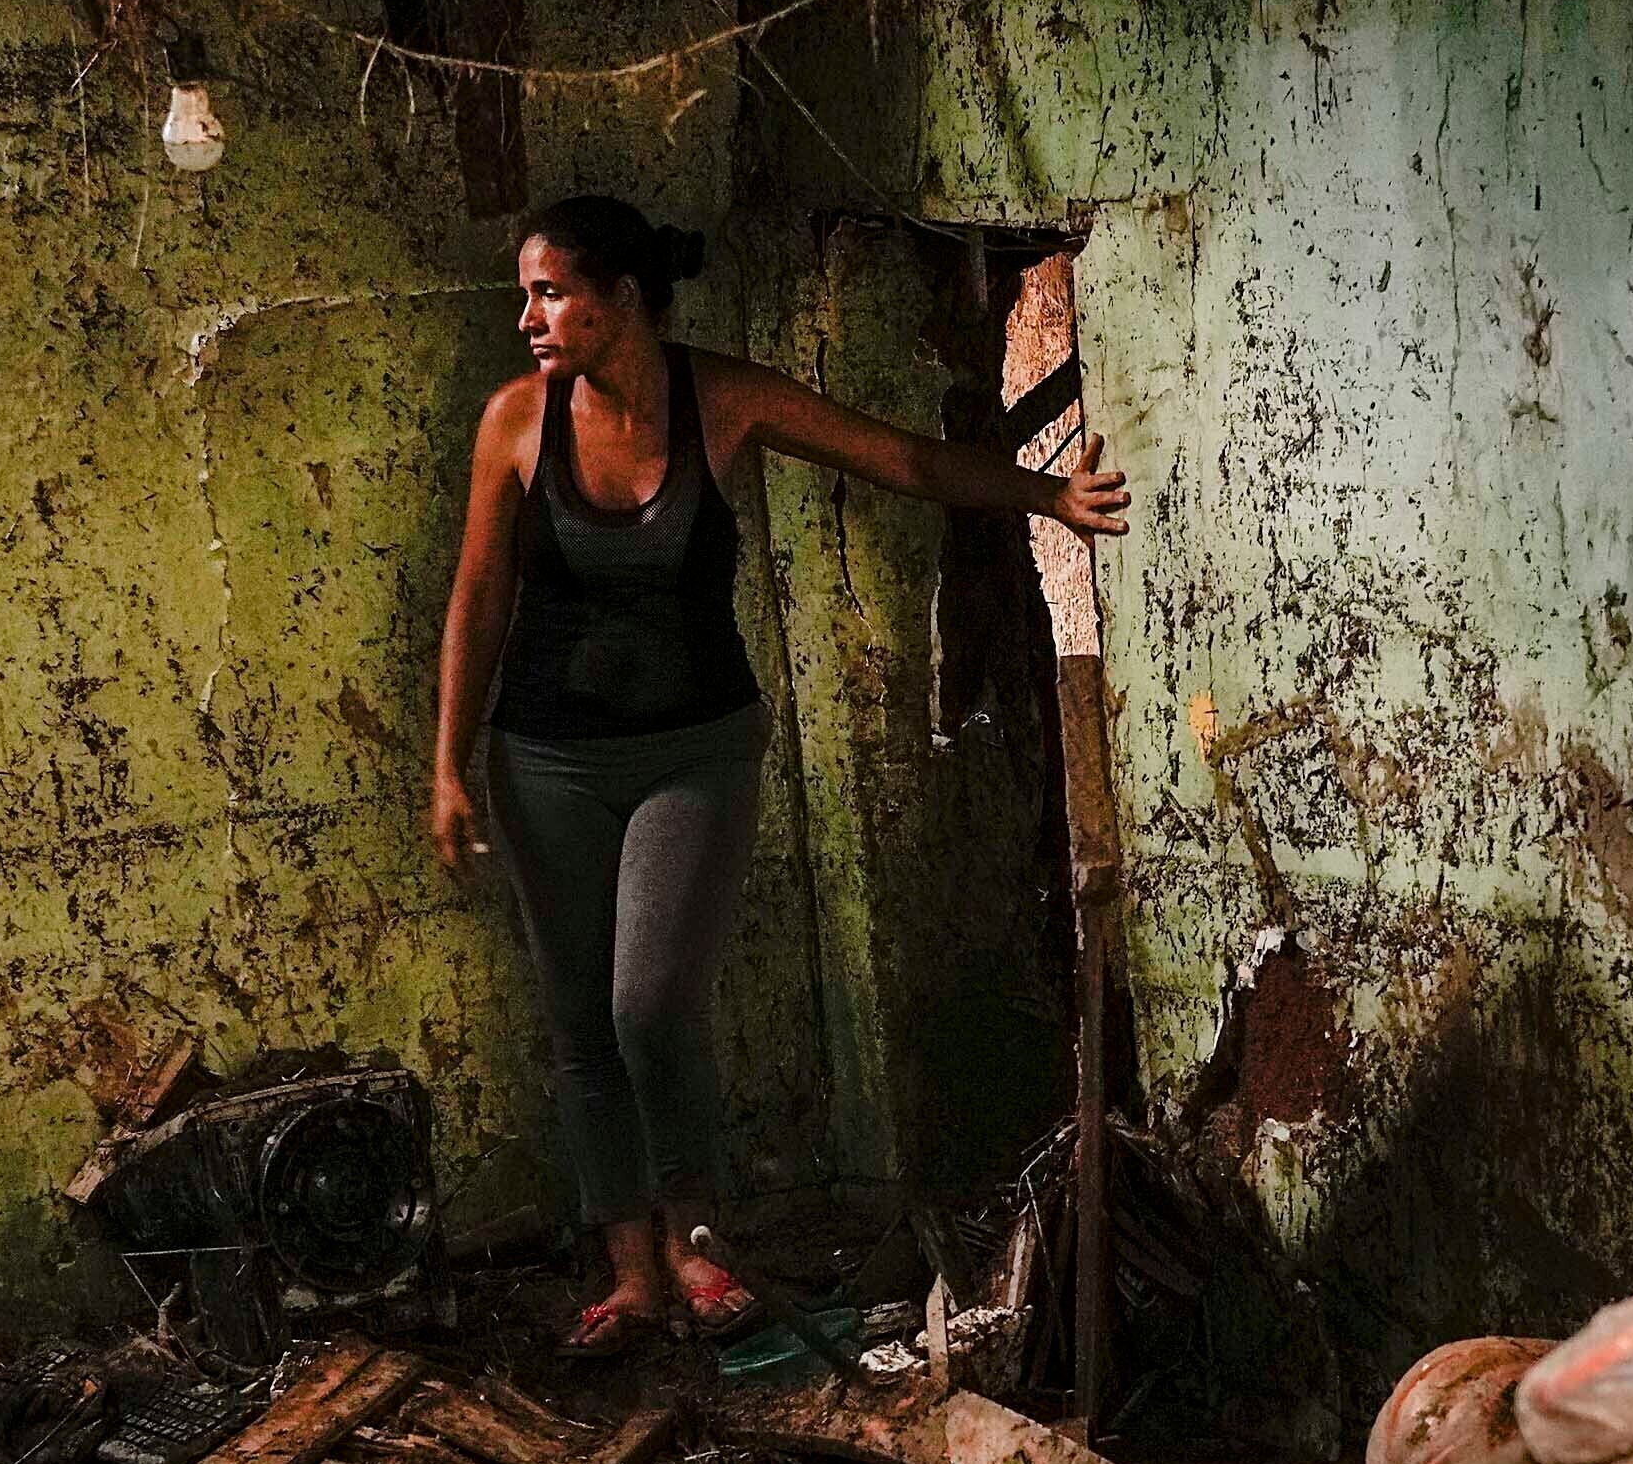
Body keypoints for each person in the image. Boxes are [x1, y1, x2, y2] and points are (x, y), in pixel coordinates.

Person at [432, 193, 1129, 1349]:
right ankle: (630, 1273)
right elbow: (477, 596)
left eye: (549, 293)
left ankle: (699, 1243)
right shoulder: (517, 420)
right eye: (530, 294)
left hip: (695, 751)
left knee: (648, 1004)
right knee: (578, 1024)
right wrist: (448, 766)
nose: (528, 318)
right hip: (544, 758)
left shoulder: (726, 399)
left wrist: (1046, 495)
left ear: (620, 301)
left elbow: (899, 457)